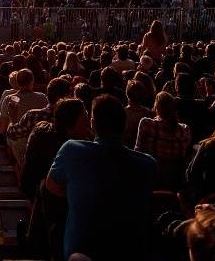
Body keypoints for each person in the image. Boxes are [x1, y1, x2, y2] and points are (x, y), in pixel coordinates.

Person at [46, 95, 157, 261]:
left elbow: (51, 186)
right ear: (124, 124)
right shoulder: (148, 165)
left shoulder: (71, 150)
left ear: (93, 123)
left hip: (81, 252)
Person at [135, 91, 192, 190]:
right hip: (175, 183)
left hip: (151, 179)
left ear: (156, 107)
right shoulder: (184, 130)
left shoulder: (146, 124)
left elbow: (137, 151)